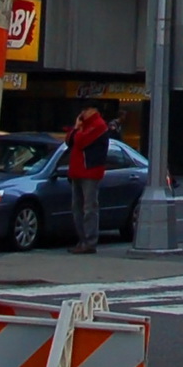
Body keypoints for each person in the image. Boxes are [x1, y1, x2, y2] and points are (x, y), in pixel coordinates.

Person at [65, 103, 110, 254]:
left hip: (90, 171)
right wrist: (76, 127)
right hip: (77, 171)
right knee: (77, 207)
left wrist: (78, 129)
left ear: (93, 110)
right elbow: (69, 141)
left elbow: (80, 141)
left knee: (89, 207)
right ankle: (82, 239)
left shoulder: (99, 126)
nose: (83, 113)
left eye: (86, 110)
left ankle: (90, 241)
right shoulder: (83, 126)